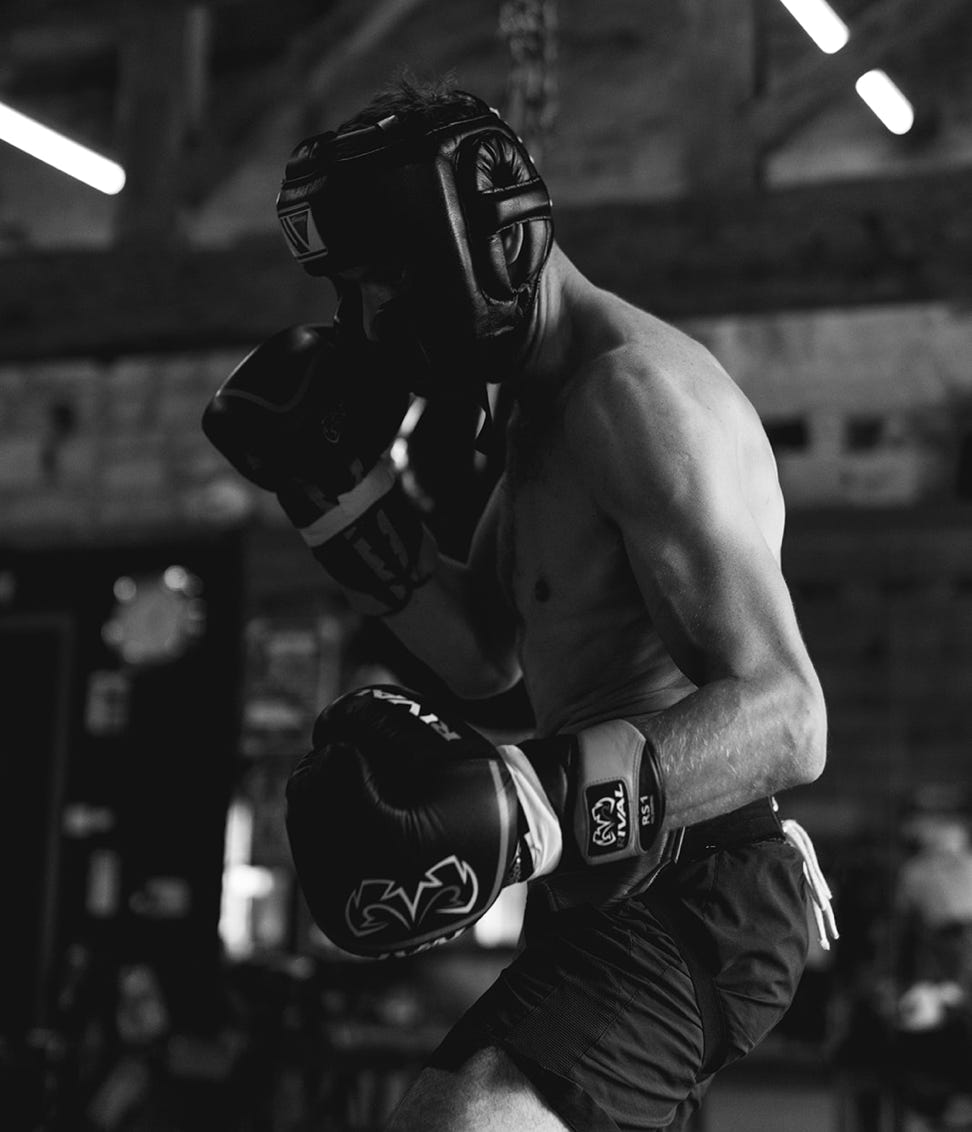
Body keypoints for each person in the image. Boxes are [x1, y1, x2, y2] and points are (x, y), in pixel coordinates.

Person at [203, 78, 836, 1132]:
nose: (367, 321)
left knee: (462, 1120)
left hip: (700, 881)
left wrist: (530, 803)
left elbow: (790, 716)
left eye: (385, 282)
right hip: (607, 871)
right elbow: (486, 655)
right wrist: (344, 505)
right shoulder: (539, 412)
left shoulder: (634, 399)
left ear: (487, 247)